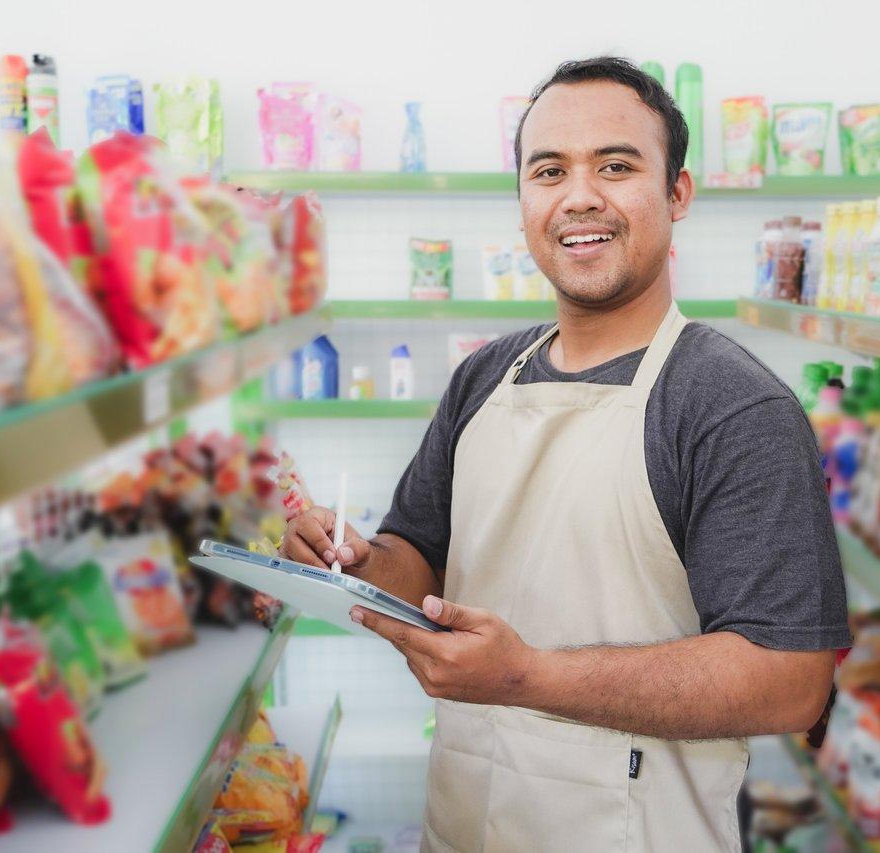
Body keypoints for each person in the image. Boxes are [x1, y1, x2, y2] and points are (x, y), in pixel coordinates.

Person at [281, 56, 850, 852]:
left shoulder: (730, 404)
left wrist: (525, 676)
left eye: (616, 166)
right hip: (464, 824)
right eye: (549, 170)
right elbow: (420, 561)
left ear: (677, 193)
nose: (580, 194)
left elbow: (790, 679)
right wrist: (352, 559)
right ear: (522, 204)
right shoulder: (483, 377)